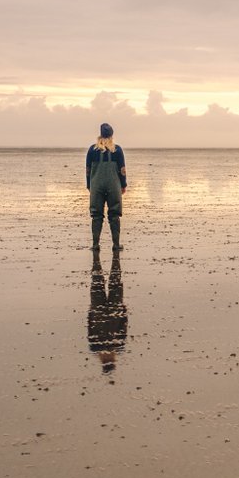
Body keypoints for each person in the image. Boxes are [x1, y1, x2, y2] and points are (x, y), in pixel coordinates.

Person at [86, 122, 128, 251]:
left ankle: (95, 245)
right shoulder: (117, 149)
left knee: (96, 215)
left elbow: (87, 170)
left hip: (96, 185)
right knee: (114, 214)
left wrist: (89, 185)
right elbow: (122, 170)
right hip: (113, 185)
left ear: (100, 134)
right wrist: (123, 184)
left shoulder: (92, 150)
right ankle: (116, 245)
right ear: (112, 135)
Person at [88, 250, 128, 372]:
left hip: (112, 313)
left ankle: (102, 258)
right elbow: (90, 326)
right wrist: (91, 312)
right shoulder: (95, 347)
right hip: (98, 313)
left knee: (112, 283)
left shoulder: (118, 347)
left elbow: (123, 326)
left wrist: (124, 312)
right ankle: (99, 260)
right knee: (98, 283)